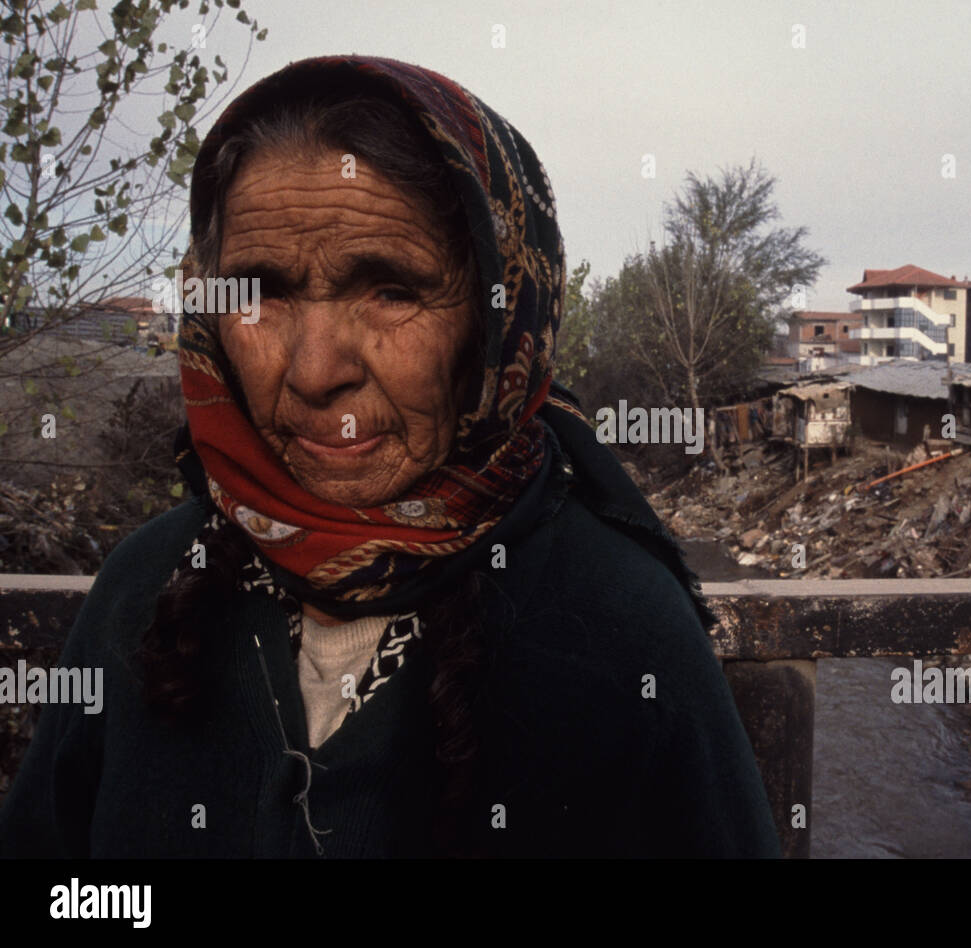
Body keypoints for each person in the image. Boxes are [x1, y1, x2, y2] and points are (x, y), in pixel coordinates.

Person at [0, 56, 780, 858]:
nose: (312, 370)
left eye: (393, 291)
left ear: (495, 314)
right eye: (260, 292)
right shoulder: (146, 587)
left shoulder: (620, 626)